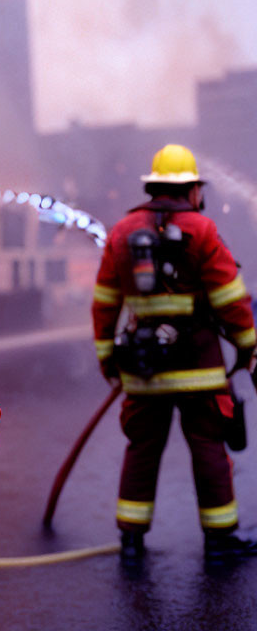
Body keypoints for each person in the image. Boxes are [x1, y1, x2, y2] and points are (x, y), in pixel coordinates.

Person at [91, 143, 257, 564]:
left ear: (154, 186)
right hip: (199, 369)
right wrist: (247, 346)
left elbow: (105, 301)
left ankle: (131, 542)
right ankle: (220, 542)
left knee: (141, 450)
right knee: (209, 451)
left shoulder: (123, 231)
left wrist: (109, 358)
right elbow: (229, 298)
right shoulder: (201, 230)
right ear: (193, 190)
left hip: (142, 368)